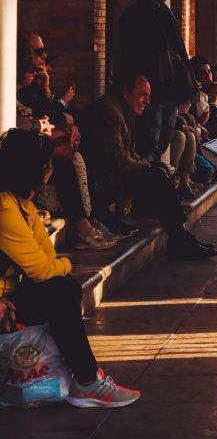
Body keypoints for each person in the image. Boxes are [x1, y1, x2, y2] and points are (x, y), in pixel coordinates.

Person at [0, 129, 140, 408]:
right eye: (46, 164)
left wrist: (58, 266)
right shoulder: (4, 208)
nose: (51, 170)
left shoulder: (22, 204)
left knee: (64, 288)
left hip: (8, 299)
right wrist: (65, 264)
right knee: (61, 290)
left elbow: (45, 253)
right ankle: (87, 382)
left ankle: (83, 378)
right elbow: (42, 269)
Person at [79, 75, 217, 260]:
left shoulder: (123, 110)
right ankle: (179, 238)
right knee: (155, 177)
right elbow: (116, 159)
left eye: (149, 96)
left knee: (157, 169)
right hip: (102, 181)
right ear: (126, 93)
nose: (147, 101)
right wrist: (146, 167)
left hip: (114, 174)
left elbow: (130, 153)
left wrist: (149, 166)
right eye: (142, 95)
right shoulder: (109, 112)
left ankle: (180, 236)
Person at [117, 0, 195, 165]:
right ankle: (147, 187)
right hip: (150, 90)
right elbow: (127, 52)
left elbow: (180, 50)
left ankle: (153, 183)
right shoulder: (134, 14)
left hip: (170, 90)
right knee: (148, 141)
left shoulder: (167, 14)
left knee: (162, 142)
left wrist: (189, 85)